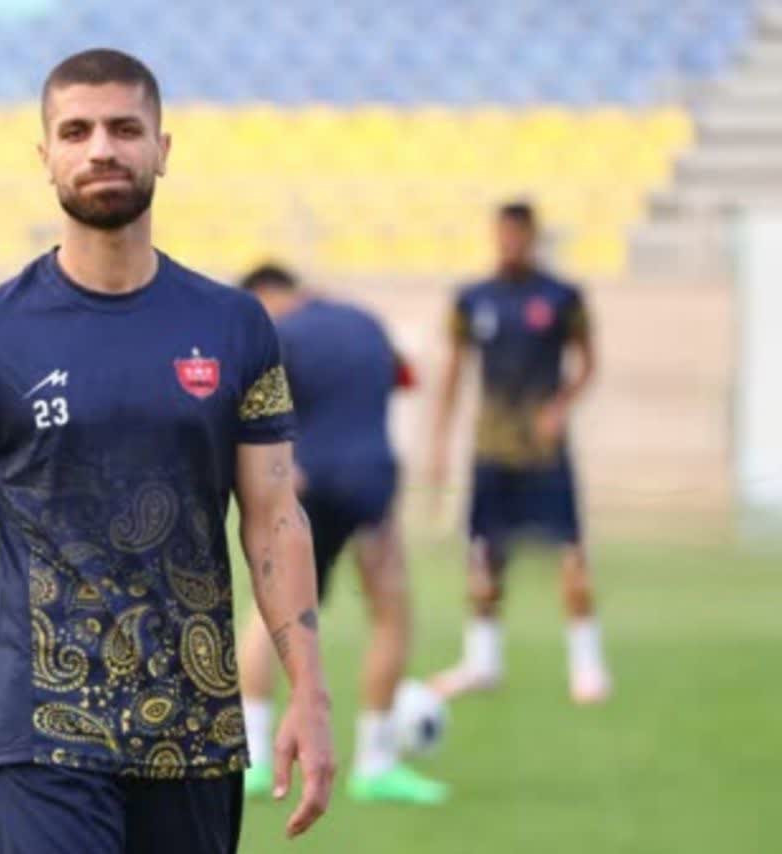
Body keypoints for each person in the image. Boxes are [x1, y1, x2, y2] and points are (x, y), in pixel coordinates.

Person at [0, 49, 336, 854]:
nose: (102, 149)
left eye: (125, 128)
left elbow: (275, 517)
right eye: (76, 132)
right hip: (43, 735)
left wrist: (310, 694)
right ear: (45, 156)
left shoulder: (236, 327)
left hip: (195, 732)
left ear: (162, 149)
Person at [234, 265, 447, 806]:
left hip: (306, 482)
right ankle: (376, 764)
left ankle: (254, 757)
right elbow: (403, 379)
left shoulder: (278, 336)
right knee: (390, 613)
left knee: (272, 613)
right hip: (372, 480)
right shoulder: (365, 321)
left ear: (264, 295)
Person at [429, 202, 610, 704]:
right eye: (503, 234)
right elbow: (453, 372)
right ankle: (482, 662)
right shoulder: (473, 299)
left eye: (518, 235)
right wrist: (440, 441)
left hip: (544, 453)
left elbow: (588, 364)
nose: (509, 243)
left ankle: (587, 665)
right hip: (492, 449)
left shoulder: (561, 297)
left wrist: (560, 406)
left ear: (532, 237)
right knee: (485, 557)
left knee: (570, 554)